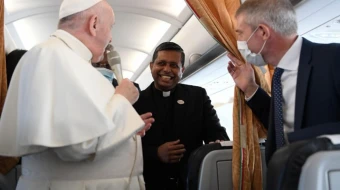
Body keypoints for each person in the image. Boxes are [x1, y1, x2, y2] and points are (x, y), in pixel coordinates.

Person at [0, 0, 154, 189]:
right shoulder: (54, 56)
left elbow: (89, 126)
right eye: (111, 28)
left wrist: (127, 128)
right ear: (94, 23)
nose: (111, 38)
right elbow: (78, 145)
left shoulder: (69, 60)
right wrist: (123, 99)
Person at [227, 0, 340, 164]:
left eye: (240, 34)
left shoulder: (333, 59)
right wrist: (251, 88)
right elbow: (279, 126)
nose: (240, 42)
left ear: (263, 32)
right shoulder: (279, 75)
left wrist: (304, 143)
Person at [133, 42, 229, 190]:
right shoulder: (136, 101)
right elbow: (126, 149)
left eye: (174, 65)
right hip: (150, 183)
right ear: (151, 66)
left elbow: (215, 132)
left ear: (182, 70)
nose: (167, 69)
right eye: (161, 63)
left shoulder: (198, 96)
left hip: (192, 181)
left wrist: (217, 143)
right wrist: (156, 153)